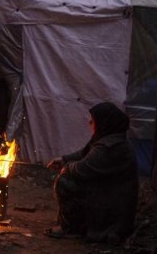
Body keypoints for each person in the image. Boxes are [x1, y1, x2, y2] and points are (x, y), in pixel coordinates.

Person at [44, 102, 138, 244]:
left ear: (104, 122)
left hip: (111, 206)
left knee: (64, 182)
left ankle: (73, 229)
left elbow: (83, 169)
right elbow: (85, 153)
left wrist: (67, 167)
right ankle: (77, 224)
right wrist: (64, 159)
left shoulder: (110, 147)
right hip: (106, 194)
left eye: (93, 120)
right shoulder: (110, 138)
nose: (90, 122)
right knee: (69, 178)